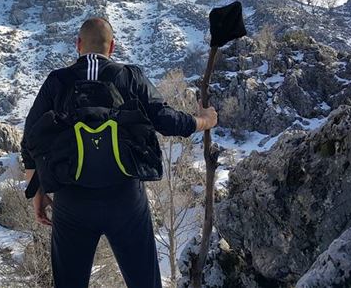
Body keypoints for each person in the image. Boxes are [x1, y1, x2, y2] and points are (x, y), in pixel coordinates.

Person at [21, 17, 218, 288]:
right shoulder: (130, 76)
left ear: (78, 44)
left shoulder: (57, 81)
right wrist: (204, 120)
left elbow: (30, 138)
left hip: (71, 202)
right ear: (112, 47)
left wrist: (37, 193)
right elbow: (165, 120)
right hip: (126, 201)